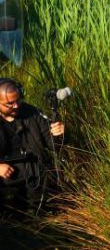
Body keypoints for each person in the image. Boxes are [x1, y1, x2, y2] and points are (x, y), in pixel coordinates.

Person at [0, 78, 65, 214]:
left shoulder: (33, 113)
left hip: (35, 175)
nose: (16, 106)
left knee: (41, 213)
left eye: (18, 100)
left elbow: (54, 145)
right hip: (5, 178)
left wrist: (59, 134)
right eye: (9, 104)